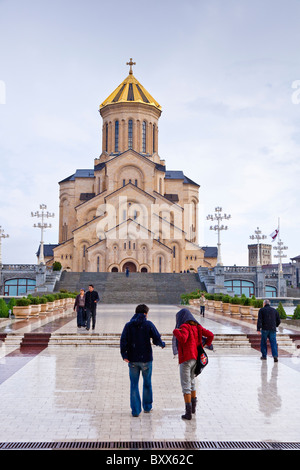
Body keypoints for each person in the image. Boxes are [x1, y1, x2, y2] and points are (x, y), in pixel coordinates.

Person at [120, 304, 165, 417]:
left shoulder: (128, 325)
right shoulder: (148, 324)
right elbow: (156, 337)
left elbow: (123, 341)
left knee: (134, 385)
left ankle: (135, 410)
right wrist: (161, 344)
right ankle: (147, 407)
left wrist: (124, 355)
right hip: (146, 359)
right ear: (145, 313)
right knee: (147, 382)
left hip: (133, 359)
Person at [173, 308, 214, 420]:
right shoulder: (197, 326)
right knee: (192, 382)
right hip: (195, 359)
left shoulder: (184, 327)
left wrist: (176, 331)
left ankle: (188, 413)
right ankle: (193, 408)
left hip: (186, 359)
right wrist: (205, 345)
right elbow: (210, 335)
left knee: (185, 385)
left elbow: (183, 338)